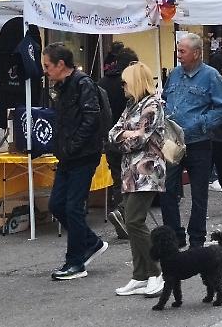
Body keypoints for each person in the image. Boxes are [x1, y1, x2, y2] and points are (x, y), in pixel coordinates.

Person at [42, 43, 109, 281]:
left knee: (73, 207)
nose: (45, 71)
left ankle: (76, 262)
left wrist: (73, 146)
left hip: (83, 155)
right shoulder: (61, 87)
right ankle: (91, 242)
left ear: (61, 64)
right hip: (67, 156)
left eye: (48, 66)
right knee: (56, 204)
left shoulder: (83, 83)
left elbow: (91, 119)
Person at [161, 33, 222, 248]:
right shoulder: (174, 74)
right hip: (173, 142)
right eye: (178, 51)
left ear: (196, 53)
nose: (179, 55)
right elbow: (165, 99)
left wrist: (202, 122)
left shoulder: (211, 76)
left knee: (199, 194)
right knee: (166, 190)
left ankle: (196, 239)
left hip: (198, 142)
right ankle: (174, 236)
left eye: (182, 51)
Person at [107, 61, 167, 298]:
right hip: (130, 172)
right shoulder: (132, 105)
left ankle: (156, 271)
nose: (122, 86)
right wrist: (127, 135)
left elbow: (138, 140)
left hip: (147, 172)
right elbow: (113, 133)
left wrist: (125, 135)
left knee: (133, 220)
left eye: (125, 82)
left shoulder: (152, 106)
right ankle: (140, 274)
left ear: (135, 81)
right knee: (131, 222)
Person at [100, 46, 138, 239]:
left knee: (118, 180)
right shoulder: (132, 84)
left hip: (110, 138)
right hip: (129, 138)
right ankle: (124, 213)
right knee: (132, 180)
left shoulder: (103, 82)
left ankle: (120, 213)